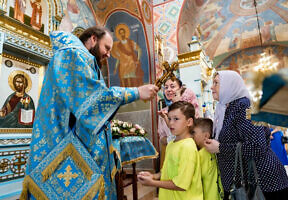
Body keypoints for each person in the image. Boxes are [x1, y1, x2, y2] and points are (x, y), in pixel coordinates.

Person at [20, 26, 158, 199]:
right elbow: (93, 99)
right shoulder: (72, 55)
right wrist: (136, 92)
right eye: (106, 48)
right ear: (93, 39)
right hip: (65, 145)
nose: (108, 55)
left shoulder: (82, 59)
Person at [204, 70, 288, 200]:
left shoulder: (245, 106)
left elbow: (258, 146)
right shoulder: (227, 108)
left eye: (216, 83)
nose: (212, 87)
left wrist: (220, 148)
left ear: (230, 85)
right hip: (246, 183)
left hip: (263, 184)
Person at [138, 101, 203, 200]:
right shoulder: (171, 144)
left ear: (189, 122)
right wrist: (153, 176)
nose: (171, 123)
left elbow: (181, 185)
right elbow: (166, 172)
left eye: (176, 119)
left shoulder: (187, 147)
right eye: (169, 118)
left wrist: (153, 183)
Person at [193, 118, 223, 200]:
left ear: (206, 136)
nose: (192, 136)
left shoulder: (200, 155)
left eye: (194, 133)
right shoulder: (214, 151)